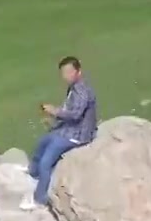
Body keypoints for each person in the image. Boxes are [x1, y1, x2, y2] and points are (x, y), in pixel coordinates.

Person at [20, 56, 97, 211]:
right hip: (70, 129)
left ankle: (39, 198)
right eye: (63, 73)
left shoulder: (82, 91)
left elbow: (75, 115)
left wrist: (55, 112)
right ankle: (33, 171)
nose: (66, 76)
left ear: (78, 71)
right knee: (43, 141)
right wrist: (56, 121)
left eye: (69, 72)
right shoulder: (74, 88)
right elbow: (70, 112)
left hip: (78, 135)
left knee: (46, 160)